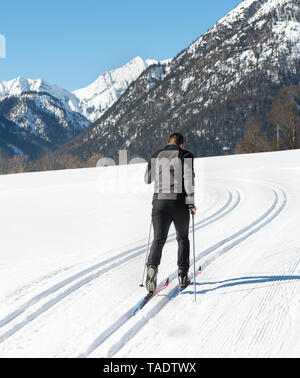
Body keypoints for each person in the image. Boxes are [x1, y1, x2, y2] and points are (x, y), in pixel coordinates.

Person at [144, 132, 196, 293]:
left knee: (158, 239)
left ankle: (152, 267)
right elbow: (188, 180)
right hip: (179, 202)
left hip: (159, 202)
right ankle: (182, 274)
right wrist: (191, 203)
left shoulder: (156, 154)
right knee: (182, 238)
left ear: (167, 143)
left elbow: (147, 179)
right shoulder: (186, 154)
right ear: (182, 144)